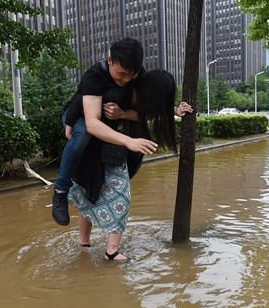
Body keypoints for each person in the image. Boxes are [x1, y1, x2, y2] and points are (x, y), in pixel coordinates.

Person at [68, 69, 187, 262]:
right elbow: (91, 118)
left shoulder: (136, 90)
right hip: (99, 149)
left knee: (91, 193)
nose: (123, 78)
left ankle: (87, 245)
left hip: (113, 152)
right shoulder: (117, 90)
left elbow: (146, 113)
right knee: (104, 194)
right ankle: (109, 251)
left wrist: (174, 110)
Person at [52, 38, 145, 226]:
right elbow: (92, 123)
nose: (126, 80)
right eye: (122, 74)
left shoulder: (140, 75)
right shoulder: (95, 75)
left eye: (131, 75)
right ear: (109, 60)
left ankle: (91, 244)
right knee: (83, 135)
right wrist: (128, 141)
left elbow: (148, 112)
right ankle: (60, 192)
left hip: (110, 124)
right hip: (79, 117)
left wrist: (125, 113)